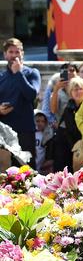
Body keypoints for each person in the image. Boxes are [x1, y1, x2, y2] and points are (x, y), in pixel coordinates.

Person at [0, 38, 40, 166]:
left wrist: (18, 73)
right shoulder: (1, 77)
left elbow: (32, 95)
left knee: (26, 170)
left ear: (22, 53)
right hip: (4, 132)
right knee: (4, 171)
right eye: (11, 52)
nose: (14, 55)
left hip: (25, 130)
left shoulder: (32, 73)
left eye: (17, 52)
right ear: (5, 54)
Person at [58, 77, 83, 170]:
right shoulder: (69, 107)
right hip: (70, 147)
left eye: (80, 89)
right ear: (70, 92)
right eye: (75, 89)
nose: (78, 92)